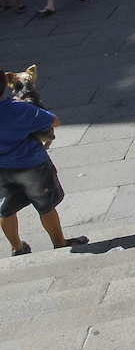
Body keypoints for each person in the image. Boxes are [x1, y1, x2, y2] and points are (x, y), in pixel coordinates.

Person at [0, 83, 88, 256]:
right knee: (45, 206)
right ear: (4, 85)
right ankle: (59, 243)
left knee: (6, 209)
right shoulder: (19, 109)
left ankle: (17, 248)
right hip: (32, 165)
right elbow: (54, 121)